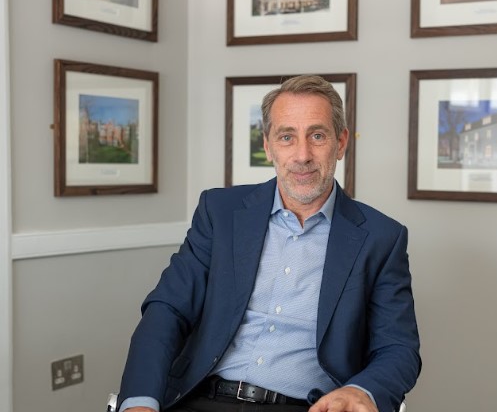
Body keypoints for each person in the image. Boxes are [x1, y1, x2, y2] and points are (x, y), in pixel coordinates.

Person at [117, 75, 421, 412]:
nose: (302, 155)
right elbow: (168, 309)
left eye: (317, 136)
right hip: (201, 398)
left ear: (341, 142)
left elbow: (398, 348)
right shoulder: (220, 212)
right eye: (287, 137)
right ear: (268, 146)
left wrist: (362, 391)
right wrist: (140, 401)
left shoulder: (381, 237)